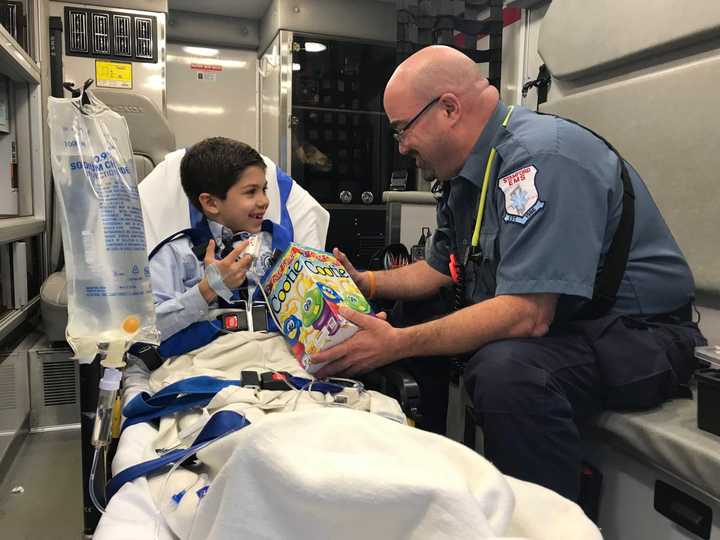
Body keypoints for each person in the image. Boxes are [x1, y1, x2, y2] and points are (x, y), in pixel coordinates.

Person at [311, 45, 706, 501]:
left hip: (642, 334)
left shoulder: (542, 159)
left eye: (402, 130)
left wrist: (396, 343)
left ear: (449, 109)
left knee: (508, 372)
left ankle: (543, 526)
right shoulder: (466, 178)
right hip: (571, 327)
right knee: (406, 315)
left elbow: (528, 315)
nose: (401, 148)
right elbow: (441, 272)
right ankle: (430, 490)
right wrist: (368, 284)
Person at [149, 137, 292, 357]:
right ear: (211, 203)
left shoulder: (280, 246)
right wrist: (208, 289)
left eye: (264, 189)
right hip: (207, 365)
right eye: (251, 192)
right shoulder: (178, 255)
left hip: (276, 358)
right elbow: (147, 333)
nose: (264, 201)